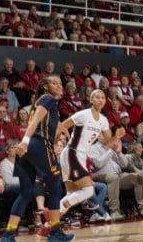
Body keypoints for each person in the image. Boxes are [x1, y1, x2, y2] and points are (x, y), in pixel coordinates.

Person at [0, 76, 75, 242]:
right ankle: (55, 232)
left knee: (26, 193)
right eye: (54, 83)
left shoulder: (41, 102)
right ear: (45, 87)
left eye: (60, 83)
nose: (59, 86)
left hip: (29, 148)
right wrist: (25, 140)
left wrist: (62, 133)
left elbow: (47, 127)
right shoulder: (47, 99)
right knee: (55, 186)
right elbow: (34, 122)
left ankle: (8, 235)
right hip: (37, 145)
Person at [54, 89, 126, 225]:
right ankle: (80, 205)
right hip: (72, 153)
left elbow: (109, 142)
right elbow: (62, 126)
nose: (100, 100)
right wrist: (55, 144)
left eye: (103, 98)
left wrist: (117, 137)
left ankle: (49, 226)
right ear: (91, 100)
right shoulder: (83, 114)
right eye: (97, 97)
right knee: (88, 190)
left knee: (71, 194)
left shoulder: (103, 121)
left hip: (79, 156)